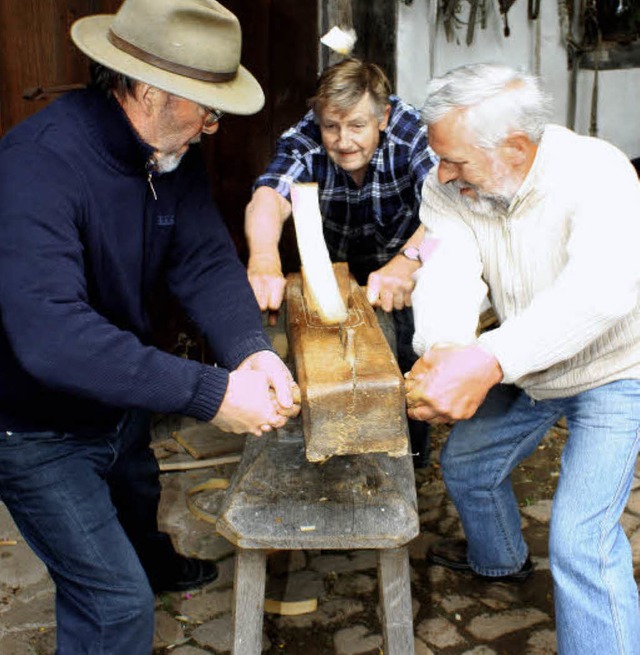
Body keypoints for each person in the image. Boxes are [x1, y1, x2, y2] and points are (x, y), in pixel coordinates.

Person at [0, 1, 300, 653]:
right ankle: (129, 585)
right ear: (149, 90)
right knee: (114, 608)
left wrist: (250, 352)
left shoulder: (167, 150)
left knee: (136, 493)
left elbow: (204, 257)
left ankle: (152, 562)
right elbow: (52, 334)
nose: (214, 126)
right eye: (206, 107)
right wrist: (213, 394)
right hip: (35, 427)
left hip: (120, 398)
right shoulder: (37, 164)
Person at [405, 63, 640, 654]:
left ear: (514, 147)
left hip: (617, 369)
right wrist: (445, 353)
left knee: (579, 542)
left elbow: (602, 291)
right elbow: (447, 269)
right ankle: (500, 562)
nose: (442, 173)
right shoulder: (447, 185)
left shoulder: (599, 171)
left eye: (455, 160)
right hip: (527, 366)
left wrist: (487, 362)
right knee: (466, 468)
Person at [245, 57, 436, 467]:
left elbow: (452, 211)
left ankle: (409, 458)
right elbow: (268, 198)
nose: (343, 140)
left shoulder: (414, 133)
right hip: (332, 265)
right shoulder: (304, 137)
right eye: (332, 126)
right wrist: (263, 259)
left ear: (382, 117)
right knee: (326, 353)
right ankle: (334, 448)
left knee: (408, 352)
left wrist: (409, 262)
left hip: (409, 255)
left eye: (356, 127)